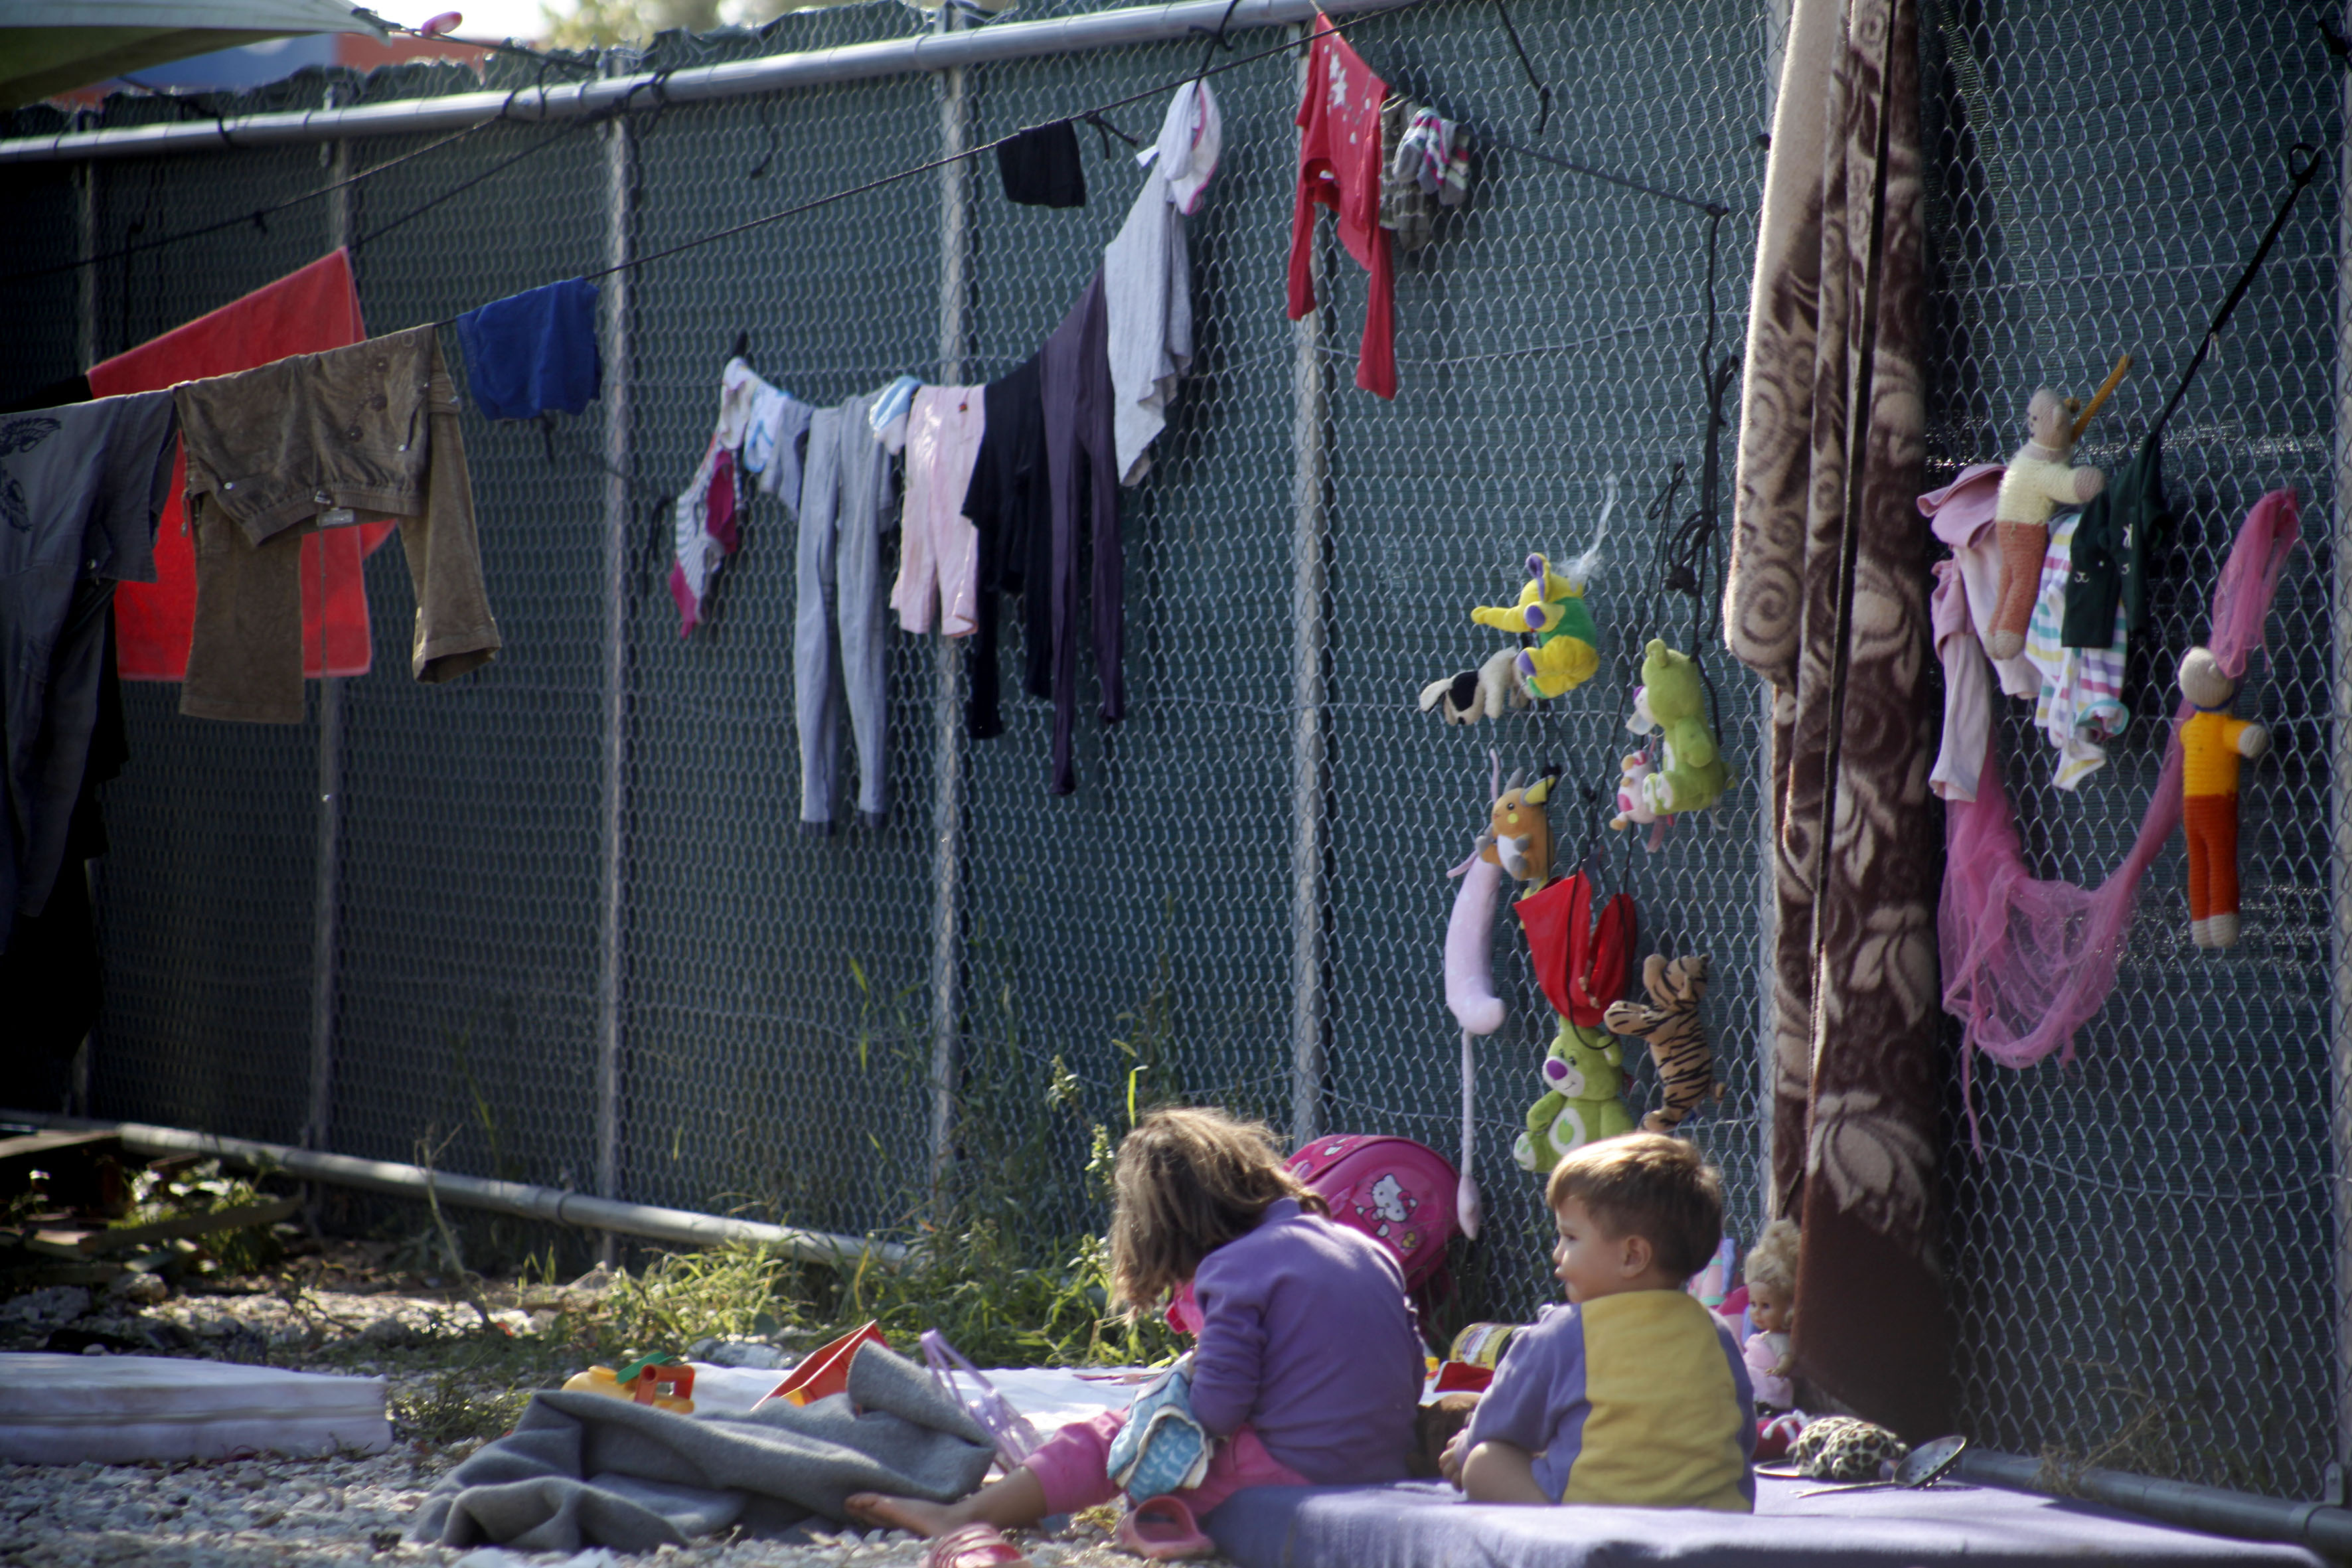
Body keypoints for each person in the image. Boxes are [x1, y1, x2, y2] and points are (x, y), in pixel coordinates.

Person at [847, 1106, 1425, 1543]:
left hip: (1292, 1480)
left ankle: (964, 1516)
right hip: (1376, 1469)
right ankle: (1032, 1501)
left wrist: (1183, 1383)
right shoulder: (1361, 1246)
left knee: (1118, 1435)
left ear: (1164, 1226)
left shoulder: (1234, 1267)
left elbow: (1219, 1410)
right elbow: (1406, 1368)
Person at [1441, 1133, 1755, 1510]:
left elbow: (1498, 1423)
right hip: (1714, 1523)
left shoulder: (1565, 1332)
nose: (1557, 1253)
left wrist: (1463, 1448)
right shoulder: (1716, 1332)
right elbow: (1742, 1435)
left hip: (1595, 1519)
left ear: (1632, 1256)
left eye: (1570, 1237)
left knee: (1485, 1460)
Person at [1741, 1218, 1800, 1412]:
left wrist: (1781, 1369)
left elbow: (1786, 1357)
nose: (1756, 1312)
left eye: (1766, 1306)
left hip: (1768, 1387)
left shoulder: (1779, 1339)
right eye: (1753, 1304)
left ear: (1788, 1307)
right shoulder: (1764, 1337)